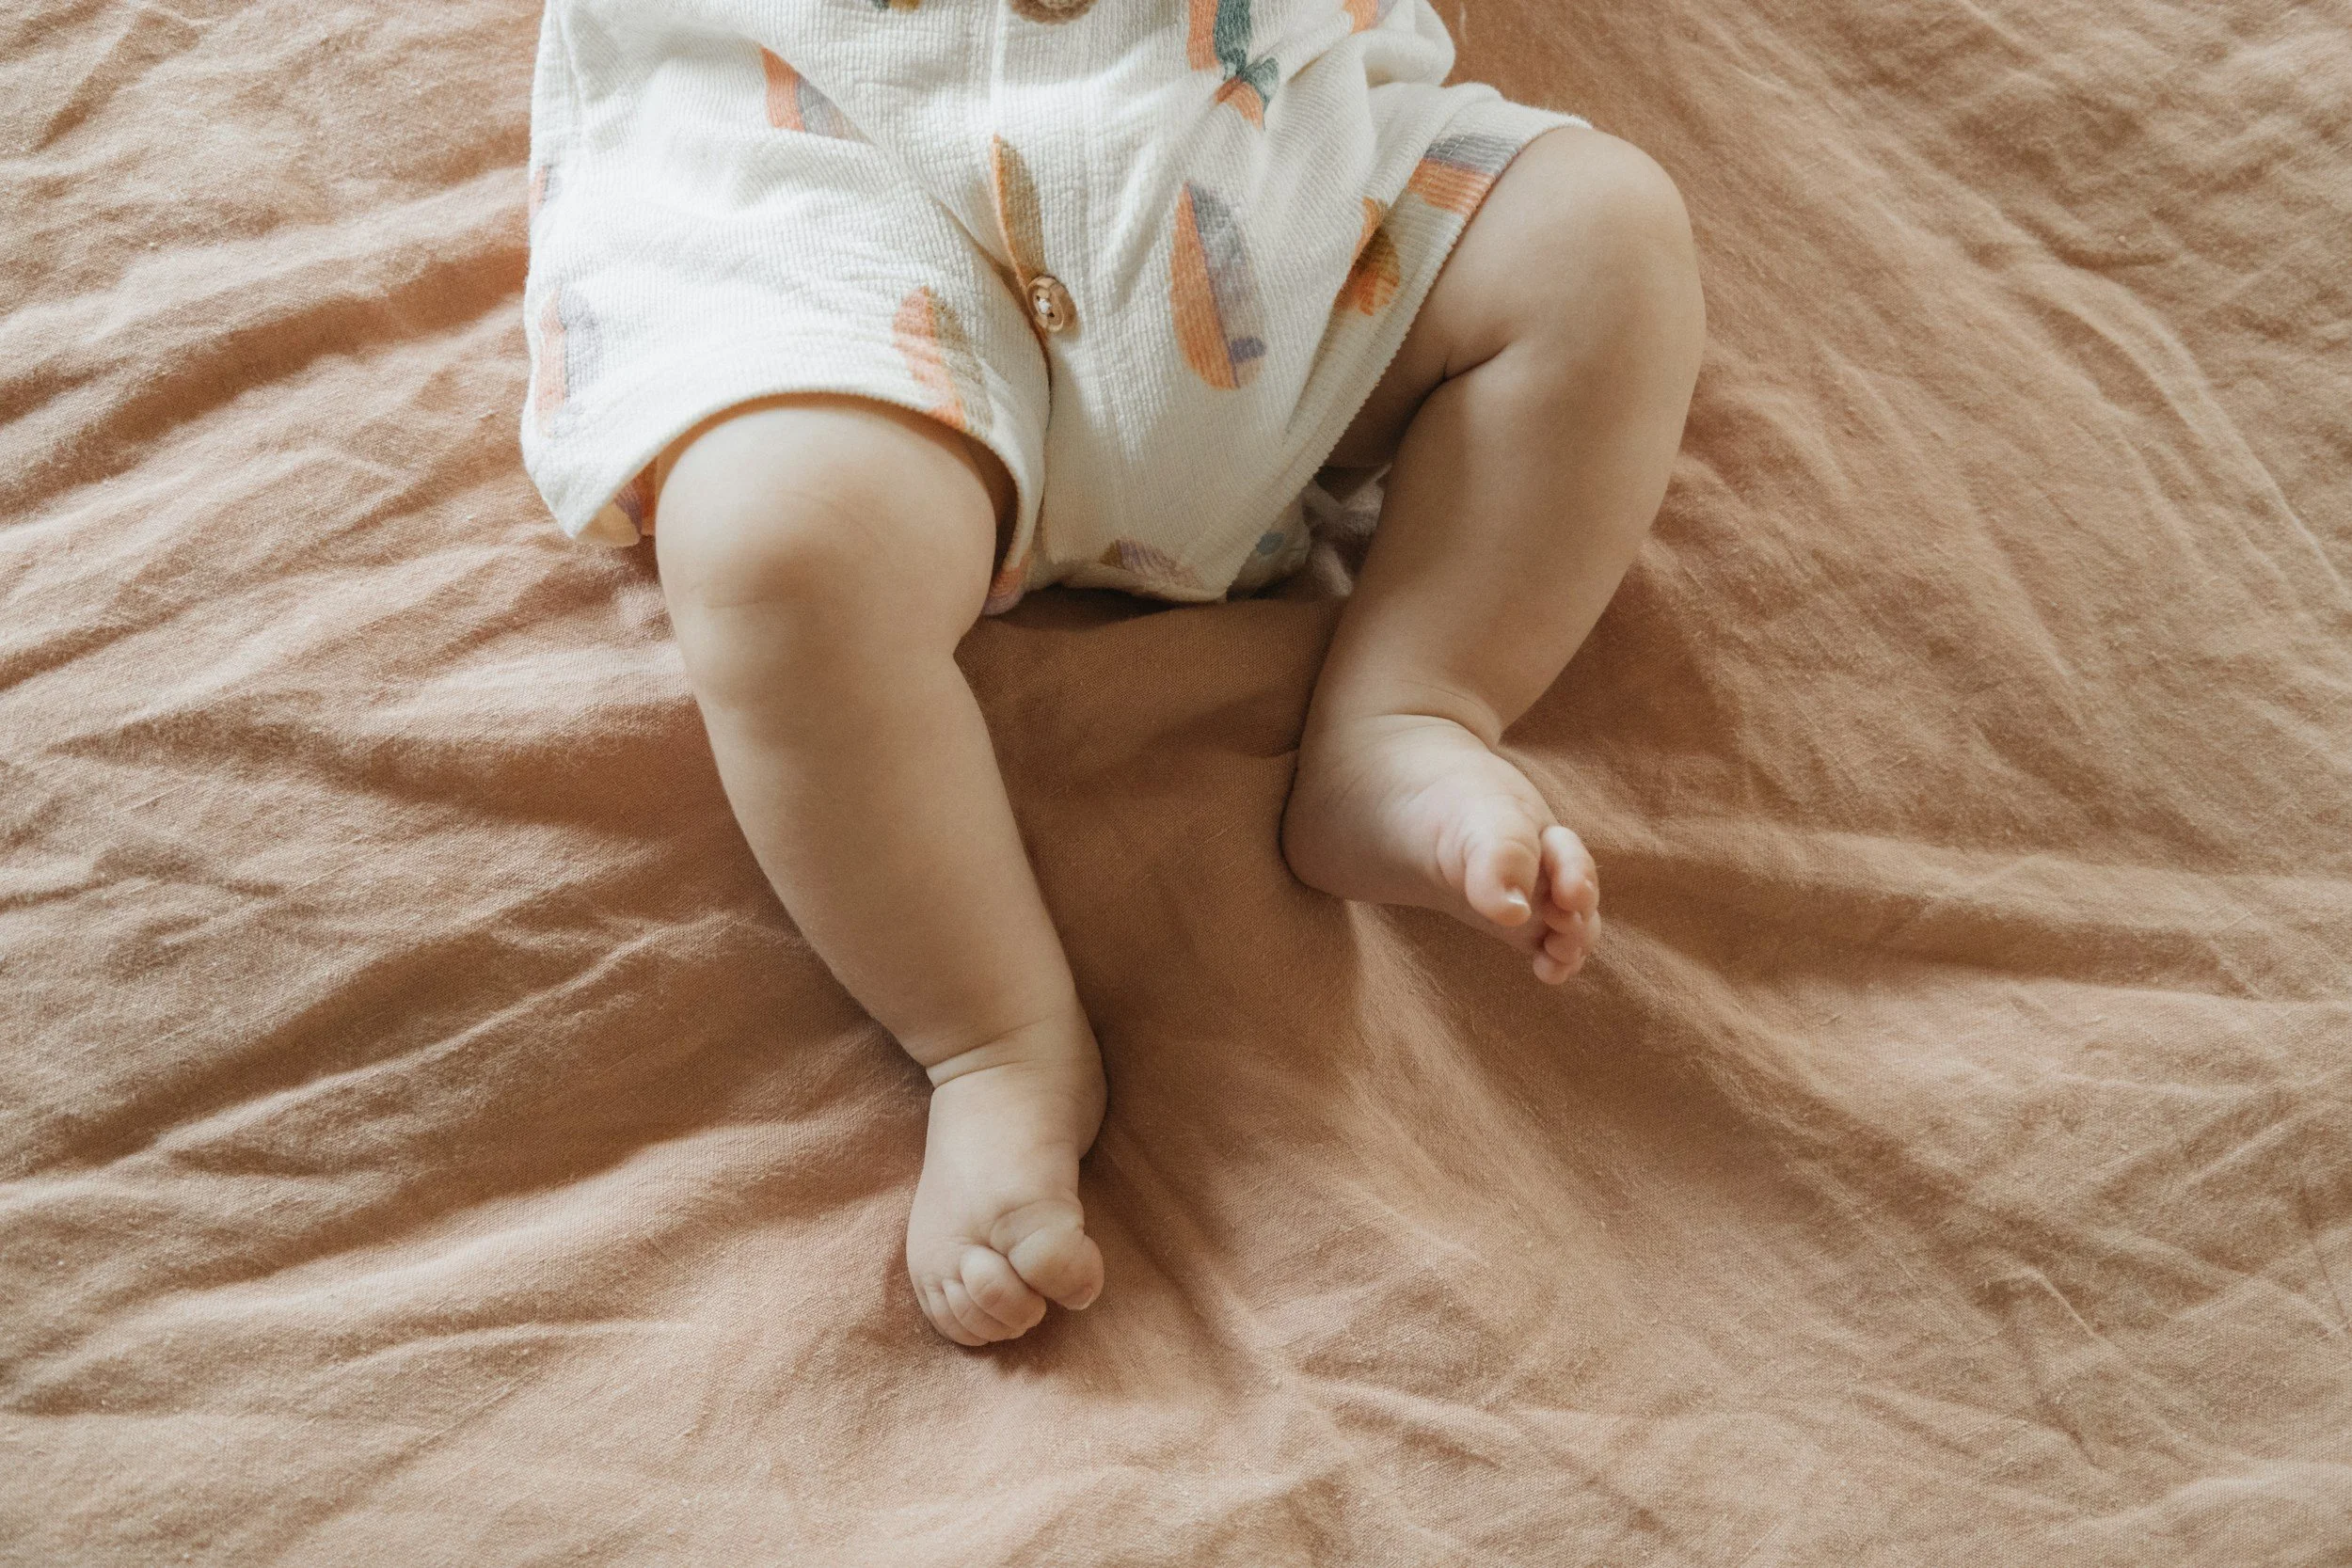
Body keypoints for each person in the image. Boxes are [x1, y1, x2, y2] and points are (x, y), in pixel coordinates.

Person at [520, 0, 1703, 1347]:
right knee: (771, 550)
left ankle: (1413, 703)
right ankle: (993, 1036)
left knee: (1603, 238)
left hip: (1274, 173)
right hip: (851, 206)